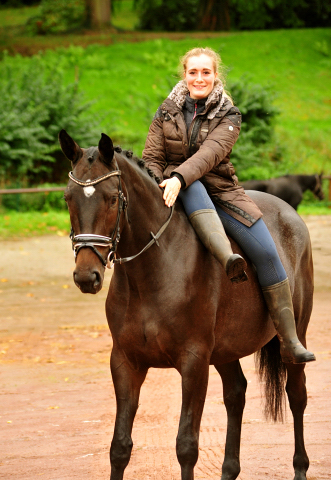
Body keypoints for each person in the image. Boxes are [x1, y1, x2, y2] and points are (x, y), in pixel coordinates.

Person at [142, 47, 315, 365]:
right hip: (170, 190)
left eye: (205, 72)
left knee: (266, 252)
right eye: (193, 72)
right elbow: (152, 155)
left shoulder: (229, 114)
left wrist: (181, 176)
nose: (199, 78)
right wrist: (161, 182)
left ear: (215, 75)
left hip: (221, 193)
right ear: (184, 74)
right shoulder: (166, 111)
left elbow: (210, 154)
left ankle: (289, 339)